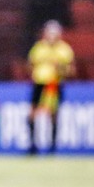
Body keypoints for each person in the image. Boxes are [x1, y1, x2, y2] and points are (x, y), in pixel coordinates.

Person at [27, 20, 75, 155]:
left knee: (53, 114)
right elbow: (30, 64)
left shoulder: (64, 49)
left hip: (54, 84)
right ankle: (33, 146)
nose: (52, 36)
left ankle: (52, 147)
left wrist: (60, 69)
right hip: (39, 83)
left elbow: (71, 70)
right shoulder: (39, 48)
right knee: (32, 114)